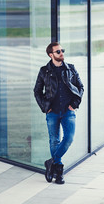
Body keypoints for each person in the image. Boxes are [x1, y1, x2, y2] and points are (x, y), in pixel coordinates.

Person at [34, 42, 84, 184]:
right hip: (52, 112)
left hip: (68, 111)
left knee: (68, 138)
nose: (61, 53)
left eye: (62, 50)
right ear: (51, 55)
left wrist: (74, 104)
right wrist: (45, 106)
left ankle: (51, 162)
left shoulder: (71, 69)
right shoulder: (44, 71)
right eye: (58, 51)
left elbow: (80, 87)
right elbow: (37, 91)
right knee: (54, 140)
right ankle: (59, 171)